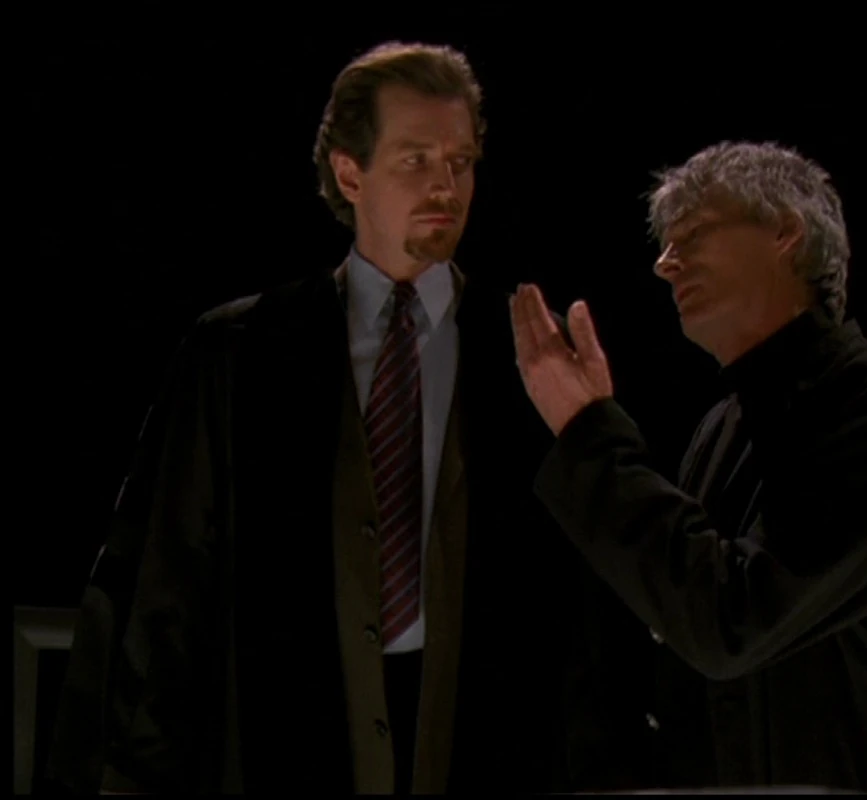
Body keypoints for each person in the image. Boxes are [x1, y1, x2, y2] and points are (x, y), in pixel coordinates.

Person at [46, 41, 575, 795]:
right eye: (415, 159)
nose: (445, 186)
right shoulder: (241, 350)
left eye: (460, 162)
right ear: (350, 173)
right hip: (287, 740)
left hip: (480, 740)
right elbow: (167, 586)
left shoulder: (524, 349)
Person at [510, 141, 867, 793]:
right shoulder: (720, 430)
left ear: (785, 232)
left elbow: (735, 621)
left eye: (693, 232)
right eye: (666, 243)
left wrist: (588, 433)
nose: (664, 263)